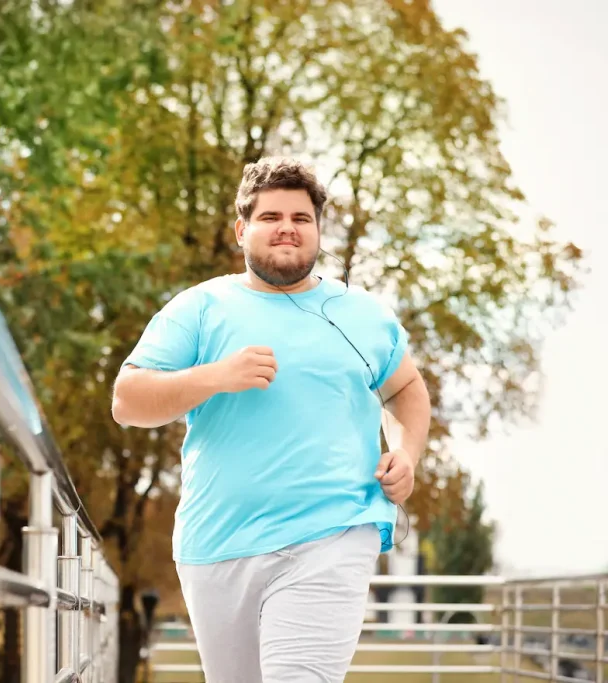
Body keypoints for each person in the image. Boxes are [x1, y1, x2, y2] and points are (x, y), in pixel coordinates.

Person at [110, 157, 432, 682]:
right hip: (218, 542)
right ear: (242, 230)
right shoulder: (198, 308)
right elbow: (128, 400)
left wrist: (407, 453)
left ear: (319, 231)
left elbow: (406, 390)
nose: (287, 228)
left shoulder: (365, 315)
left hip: (333, 531)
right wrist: (216, 376)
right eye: (271, 216)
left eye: (302, 218)